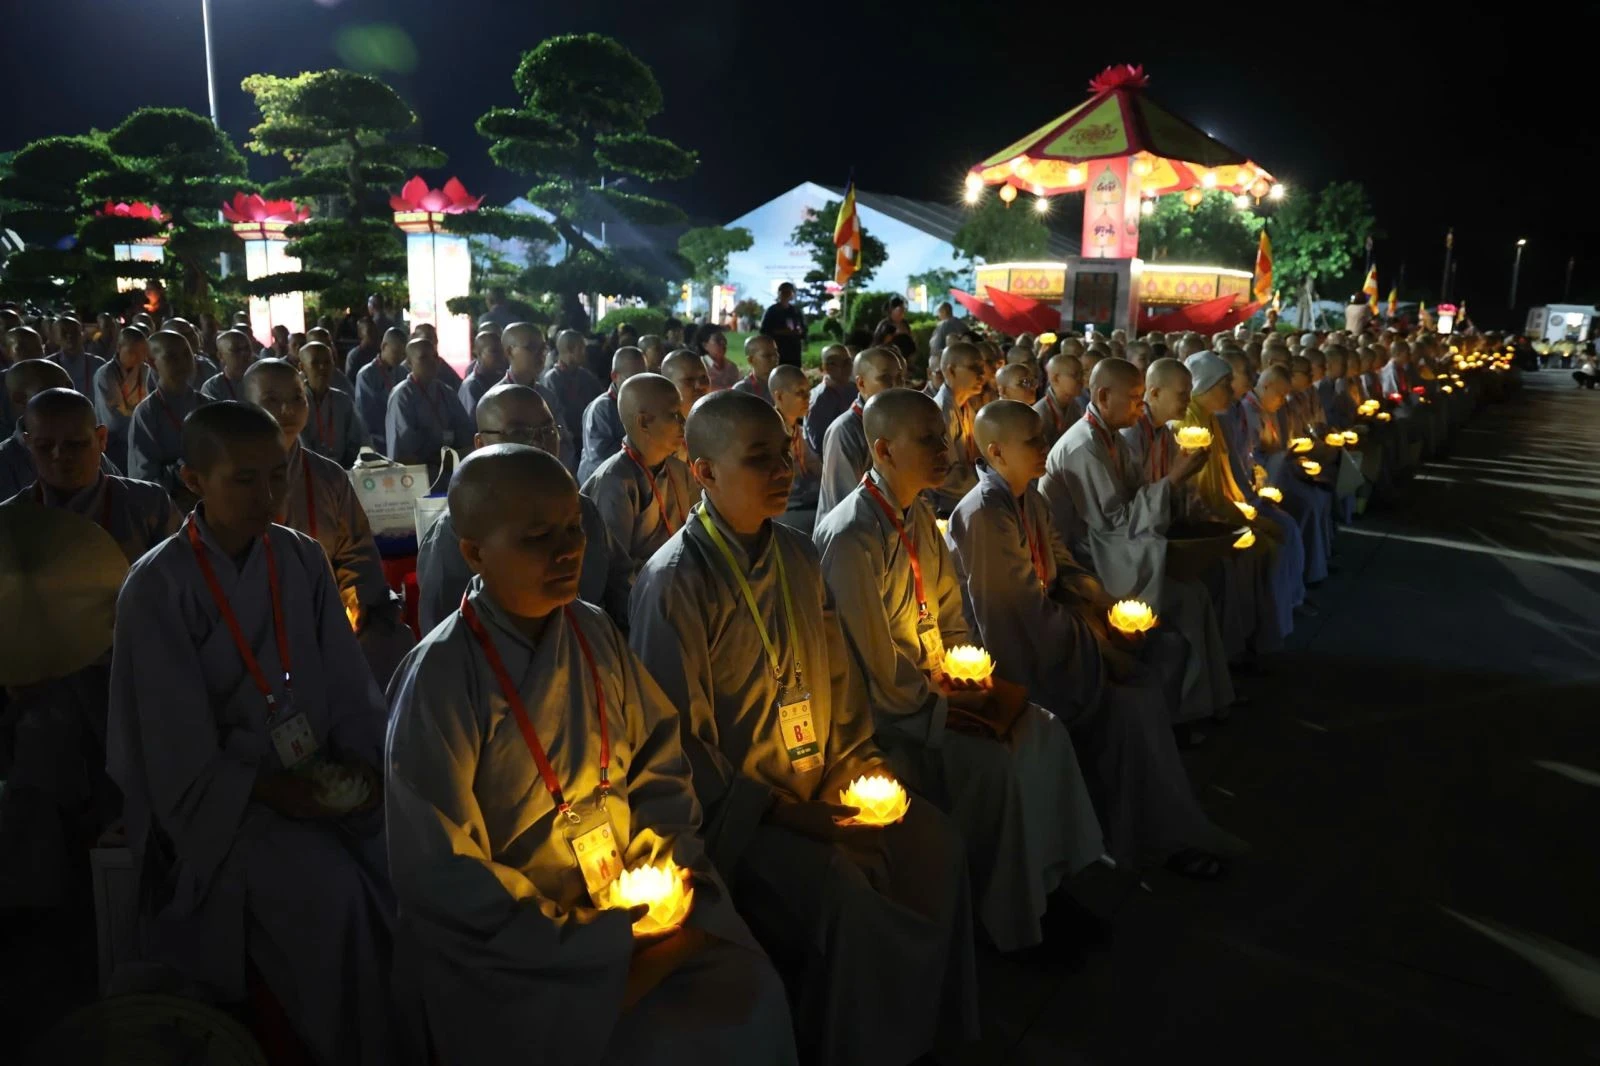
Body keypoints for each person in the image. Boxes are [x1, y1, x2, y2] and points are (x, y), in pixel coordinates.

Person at [388, 444, 797, 1064]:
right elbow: (441, 866)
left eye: (575, 527)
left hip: (629, 892)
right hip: (523, 943)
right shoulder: (440, 677)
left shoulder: (595, 629)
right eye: (537, 537)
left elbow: (659, 761)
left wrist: (661, 855)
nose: (568, 549)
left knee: (751, 987)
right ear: (474, 552)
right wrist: (581, 936)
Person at [630, 390, 979, 1064]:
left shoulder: (796, 553)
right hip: (747, 819)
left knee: (936, 843)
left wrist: (854, 766)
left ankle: (926, 1026)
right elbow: (680, 747)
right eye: (759, 458)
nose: (785, 467)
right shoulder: (674, 581)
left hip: (826, 780)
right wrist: (790, 815)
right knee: (846, 893)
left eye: (784, 452)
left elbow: (842, 682)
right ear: (703, 472)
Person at [105, 401, 396, 1065]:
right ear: (192, 480)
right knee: (335, 898)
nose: (268, 496)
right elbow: (173, 748)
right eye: (244, 480)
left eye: (277, 476)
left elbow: (349, 686)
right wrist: (268, 791)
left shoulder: (300, 558)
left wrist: (367, 768)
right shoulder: (157, 586)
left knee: (406, 865)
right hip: (227, 807)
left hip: (320, 776)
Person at [814, 388, 1107, 953]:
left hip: (937, 691)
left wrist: (967, 675)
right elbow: (873, 668)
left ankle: (1052, 880)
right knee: (994, 766)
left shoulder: (918, 512)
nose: (945, 447)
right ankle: (1011, 923)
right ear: (883, 448)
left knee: (1042, 730)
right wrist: (948, 705)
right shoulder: (852, 536)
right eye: (927, 438)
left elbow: (951, 617)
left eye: (943, 433)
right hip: (890, 719)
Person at [950, 400, 1239, 877]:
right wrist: (1101, 651)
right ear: (997, 452)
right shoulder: (986, 513)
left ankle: (1153, 828)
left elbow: (1062, 566)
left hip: (1053, 635)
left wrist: (1106, 606)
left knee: (1152, 670)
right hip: (1015, 657)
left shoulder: (1029, 497)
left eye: (1044, 437)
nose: (1046, 446)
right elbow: (1016, 616)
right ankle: (1151, 835)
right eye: (1034, 441)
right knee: (1133, 700)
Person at [1040, 358, 1236, 726]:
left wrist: (1174, 483)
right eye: (1132, 397)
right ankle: (1179, 716)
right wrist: (1174, 479)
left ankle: (1204, 703)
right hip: (1084, 561)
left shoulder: (1110, 437)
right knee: (1184, 609)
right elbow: (1116, 523)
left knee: (1195, 594)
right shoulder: (1084, 446)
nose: (1139, 404)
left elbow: (1132, 502)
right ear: (1102, 395)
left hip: (1112, 548)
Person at [244, 359, 414, 687]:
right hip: (255, 623)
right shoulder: (231, 479)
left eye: (297, 398)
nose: (287, 410)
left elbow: (357, 553)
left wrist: (353, 604)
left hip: (326, 618)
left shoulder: (328, 476)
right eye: (270, 400)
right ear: (245, 406)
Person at [417, 384, 631, 634]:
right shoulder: (457, 531)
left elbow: (621, 594)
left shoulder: (583, 510)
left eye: (548, 430)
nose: (539, 443)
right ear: (480, 443)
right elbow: (446, 637)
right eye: (518, 432)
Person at [1178, 353, 1286, 659]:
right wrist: (1244, 521)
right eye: (1225, 384)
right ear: (1206, 385)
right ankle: (1232, 651)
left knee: (1266, 546)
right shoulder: (1189, 422)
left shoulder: (1212, 419)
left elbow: (1225, 479)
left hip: (1222, 511)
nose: (1231, 390)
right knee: (1243, 558)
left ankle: (1254, 638)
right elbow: (1199, 494)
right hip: (1202, 519)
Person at [580, 373, 694, 586]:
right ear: (643, 422)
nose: (683, 422)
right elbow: (616, 573)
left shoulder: (679, 471)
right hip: (643, 600)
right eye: (673, 415)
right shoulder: (614, 483)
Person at [1, 364, 122, 500]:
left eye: (70, 387)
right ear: (20, 398)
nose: (68, 394)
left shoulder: (89, 448)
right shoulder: (6, 461)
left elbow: (119, 496)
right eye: (54, 389)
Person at [817, 347, 903, 519]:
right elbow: (847, 503)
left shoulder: (899, 422)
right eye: (886, 378)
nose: (896, 385)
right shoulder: (844, 431)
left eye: (900, 377)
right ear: (861, 383)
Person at [127, 330, 202, 503]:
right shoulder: (147, 413)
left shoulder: (207, 404)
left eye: (186, 354)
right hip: (171, 508)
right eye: (172, 357)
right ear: (152, 362)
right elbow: (144, 478)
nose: (183, 363)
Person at [386, 336, 475, 482]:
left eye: (435, 356)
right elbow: (405, 451)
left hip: (451, 473)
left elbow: (465, 435)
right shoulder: (402, 396)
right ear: (408, 363)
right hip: (416, 478)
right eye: (424, 358)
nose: (432, 362)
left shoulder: (446, 392)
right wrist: (441, 459)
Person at [499, 322, 575, 470]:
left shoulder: (547, 396)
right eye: (532, 348)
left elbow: (564, 440)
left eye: (543, 348)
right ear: (509, 351)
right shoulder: (497, 398)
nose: (541, 354)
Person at [929, 341, 986, 513]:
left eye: (982, 367)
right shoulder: (938, 413)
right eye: (974, 367)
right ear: (950, 371)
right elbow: (946, 476)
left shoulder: (967, 409)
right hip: (947, 507)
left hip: (968, 499)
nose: (982, 374)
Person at [578, 346, 646, 483]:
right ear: (614, 376)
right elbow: (601, 456)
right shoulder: (601, 409)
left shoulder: (644, 401)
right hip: (602, 481)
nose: (640, 384)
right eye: (633, 378)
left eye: (643, 377)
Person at [768, 363, 820, 533]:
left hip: (803, 498)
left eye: (808, 392)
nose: (807, 398)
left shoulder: (794, 427)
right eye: (800, 393)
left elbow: (813, 463)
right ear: (780, 397)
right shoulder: (771, 432)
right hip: (786, 507)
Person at [92, 327, 152, 473]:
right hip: (114, 442)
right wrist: (141, 423)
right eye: (132, 352)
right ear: (119, 348)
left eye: (142, 353)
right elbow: (113, 419)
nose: (138, 358)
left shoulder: (146, 370)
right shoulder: (105, 374)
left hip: (140, 437)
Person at [300, 341, 367, 467]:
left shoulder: (343, 400)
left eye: (327, 362)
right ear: (302, 367)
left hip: (342, 471)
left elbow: (356, 440)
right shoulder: (296, 402)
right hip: (307, 471)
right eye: (315, 363)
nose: (322, 368)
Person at [542, 329, 607, 448]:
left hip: (587, 438)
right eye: (581, 349)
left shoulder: (586, 376)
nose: (585, 353)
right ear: (570, 350)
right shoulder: (552, 379)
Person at [355, 327, 409, 453]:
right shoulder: (366, 374)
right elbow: (366, 414)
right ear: (384, 346)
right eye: (396, 352)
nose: (400, 358)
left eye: (403, 354)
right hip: (377, 441)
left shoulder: (403, 372)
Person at [804, 344, 856, 456]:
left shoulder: (855, 390)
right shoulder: (819, 399)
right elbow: (818, 445)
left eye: (847, 362)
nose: (842, 367)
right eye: (833, 363)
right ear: (824, 367)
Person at [458, 328, 510, 423]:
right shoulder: (471, 387)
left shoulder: (503, 380)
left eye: (502, 351)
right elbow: (470, 424)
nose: (501, 356)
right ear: (478, 354)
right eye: (494, 351)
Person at [1036, 352, 1084, 450]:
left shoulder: (1075, 405)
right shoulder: (1040, 413)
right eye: (1075, 375)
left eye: (1082, 374)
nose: (1081, 380)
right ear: (1055, 378)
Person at [50, 317, 104, 395]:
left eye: (74, 331)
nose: (69, 336)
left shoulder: (98, 364)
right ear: (55, 337)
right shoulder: (48, 365)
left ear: (82, 334)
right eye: (64, 332)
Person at [760, 281, 806, 367]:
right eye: (784, 292)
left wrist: (799, 332)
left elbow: (803, 329)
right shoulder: (772, 311)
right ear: (779, 294)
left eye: (789, 292)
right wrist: (782, 332)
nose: (787, 295)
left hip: (794, 351)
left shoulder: (795, 311)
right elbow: (764, 330)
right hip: (778, 350)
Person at [200, 329, 253, 403]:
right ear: (220, 356)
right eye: (236, 350)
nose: (245, 353)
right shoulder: (213, 387)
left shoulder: (262, 379)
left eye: (247, 348)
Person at [733, 335, 778, 404]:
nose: (775, 358)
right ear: (750, 360)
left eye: (775, 353)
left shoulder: (786, 384)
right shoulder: (742, 390)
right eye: (767, 355)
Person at [874, 295, 917, 365]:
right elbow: (877, 343)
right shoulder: (884, 325)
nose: (902, 313)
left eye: (903, 311)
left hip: (905, 359)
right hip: (888, 358)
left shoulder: (905, 324)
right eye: (900, 311)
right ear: (892, 310)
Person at [699, 326, 741, 391]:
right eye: (717, 340)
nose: (723, 343)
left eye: (724, 340)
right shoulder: (700, 366)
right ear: (705, 345)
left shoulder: (732, 367)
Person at [927, 302, 962, 367]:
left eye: (938, 312)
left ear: (944, 311)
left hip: (946, 363)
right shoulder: (961, 324)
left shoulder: (943, 325)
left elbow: (935, 347)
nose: (938, 315)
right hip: (962, 361)